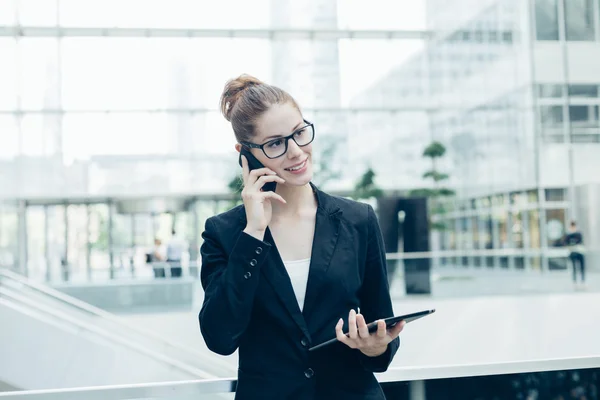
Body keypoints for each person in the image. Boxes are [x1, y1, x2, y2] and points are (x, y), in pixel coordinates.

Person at [198, 74, 404, 400]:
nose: (296, 151)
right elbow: (220, 338)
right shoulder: (224, 233)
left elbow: (383, 336)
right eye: (276, 143)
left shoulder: (358, 220)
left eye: (299, 133)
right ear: (245, 154)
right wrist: (253, 233)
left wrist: (378, 345)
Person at [563, 221, 585, 288]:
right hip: (573, 253)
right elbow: (566, 244)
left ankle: (582, 281)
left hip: (580, 252)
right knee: (574, 268)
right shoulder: (568, 235)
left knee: (582, 267)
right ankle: (575, 282)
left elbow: (581, 242)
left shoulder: (578, 234)